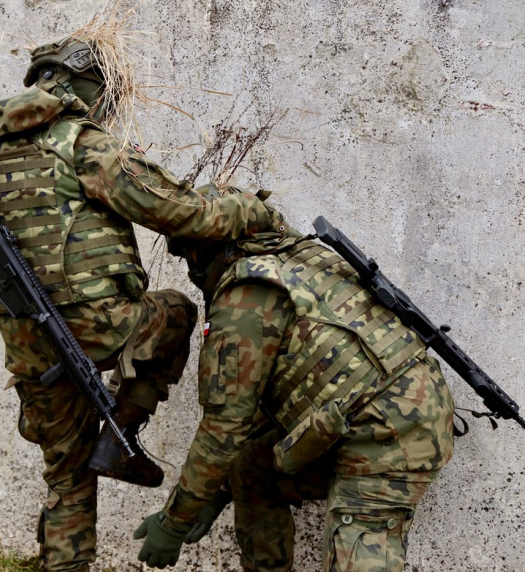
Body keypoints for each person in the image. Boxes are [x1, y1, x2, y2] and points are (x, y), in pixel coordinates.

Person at [0, 35, 283, 572]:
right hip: (97, 326)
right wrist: (251, 210)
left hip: (29, 341)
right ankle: (123, 426)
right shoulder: (84, 145)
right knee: (176, 311)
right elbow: (187, 215)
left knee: (66, 479)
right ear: (91, 89)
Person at [134, 185, 456, 571]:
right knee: (252, 469)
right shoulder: (304, 256)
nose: (189, 267)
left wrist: (174, 522)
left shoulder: (247, 295)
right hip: (377, 414)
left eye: (187, 252)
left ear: (206, 246)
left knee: (360, 554)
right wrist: (212, 496)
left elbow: (224, 427)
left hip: (387, 435)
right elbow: (265, 409)